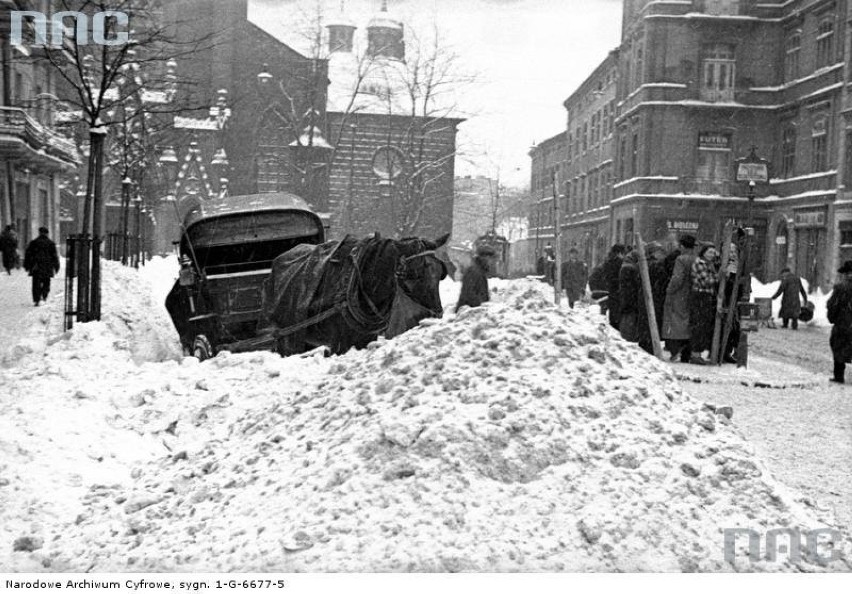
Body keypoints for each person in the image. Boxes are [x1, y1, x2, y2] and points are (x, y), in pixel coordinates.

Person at [662, 234, 697, 363]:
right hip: (692, 294)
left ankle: (676, 348)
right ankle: (687, 352)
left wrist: (669, 290)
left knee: (676, 322)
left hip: (679, 295)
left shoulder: (681, 259)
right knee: (688, 322)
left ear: (682, 246)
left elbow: (677, 278)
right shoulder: (696, 259)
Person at [689, 244, 720, 364]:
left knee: (704, 325)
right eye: (709, 252)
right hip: (700, 296)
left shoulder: (709, 264)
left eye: (713, 253)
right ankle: (695, 354)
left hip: (707, 296)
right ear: (703, 253)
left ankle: (698, 352)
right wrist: (719, 277)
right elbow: (705, 282)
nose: (711, 255)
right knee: (699, 325)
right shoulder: (700, 264)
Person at [827, 261, 852, 384]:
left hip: (843, 323)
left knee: (837, 347)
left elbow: (832, 305)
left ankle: (839, 376)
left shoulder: (841, 287)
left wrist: (832, 318)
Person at [24, 226, 60, 306]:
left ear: (39, 233)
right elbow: (54, 256)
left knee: (36, 283)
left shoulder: (34, 243)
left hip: (36, 267)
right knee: (46, 282)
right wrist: (56, 266)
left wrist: (27, 265)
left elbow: (28, 255)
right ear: (47, 234)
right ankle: (44, 295)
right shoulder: (51, 243)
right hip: (47, 266)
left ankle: (37, 299)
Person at [456, 245, 494, 310]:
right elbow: (469, 294)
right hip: (469, 314)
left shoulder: (480, 271)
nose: (492, 262)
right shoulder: (474, 271)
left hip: (473, 313)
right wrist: (481, 307)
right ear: (484, 258)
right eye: (490, 258)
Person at [602, 244, 627, 330]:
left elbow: (605, 276)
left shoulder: (608, 261)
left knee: (613, 312)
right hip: (619, 290)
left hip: (611, 290)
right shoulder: (621, 262)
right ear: (620, 253)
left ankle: (614, 327)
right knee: (618, 312)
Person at [618, 250, 641, 342]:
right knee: (630, 318)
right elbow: (634, 284)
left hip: (625, 296)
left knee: (626, 316)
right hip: (630, 297)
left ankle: (625, 336)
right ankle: (628, 337)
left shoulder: (624, 266)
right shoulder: (631, 269)